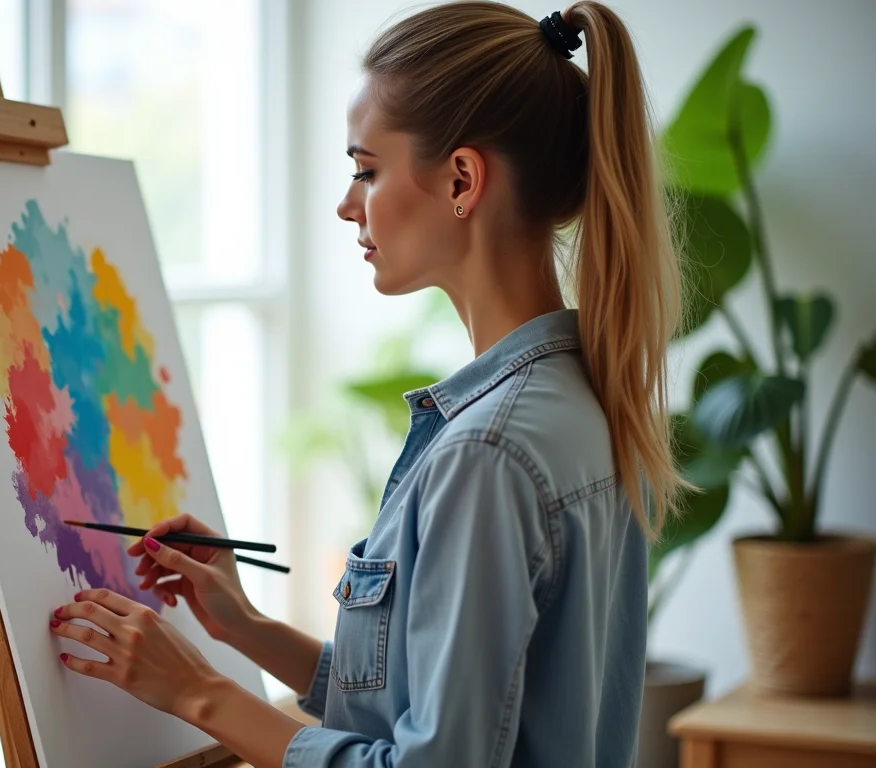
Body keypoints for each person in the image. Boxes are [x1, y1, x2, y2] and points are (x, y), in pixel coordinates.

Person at [47, 1, 684, 765]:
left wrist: (197, 693)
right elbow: (437, 706)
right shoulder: (579, 398)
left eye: (366, 170)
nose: (349, 204)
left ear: (460, 179)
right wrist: (244, 626)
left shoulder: (487, 452)